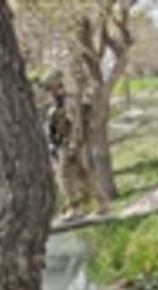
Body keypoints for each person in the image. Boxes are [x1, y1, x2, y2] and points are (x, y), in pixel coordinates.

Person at [42, 70, 109, 221]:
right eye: (48, 89)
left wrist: (73, 145)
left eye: (51, 88)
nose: (49, 92)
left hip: (69, 144)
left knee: (64, 176)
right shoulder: (55, 105)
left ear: (59, 87)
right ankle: (102, 202)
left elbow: (77, 125)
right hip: (62, 144)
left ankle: (75, 208)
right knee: (82, 175)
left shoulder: (69, 103)